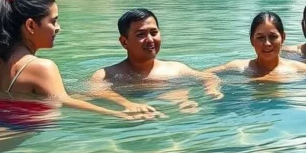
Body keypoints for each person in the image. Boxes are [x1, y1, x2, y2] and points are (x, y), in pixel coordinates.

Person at [0, 0, 142, 125]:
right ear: (31, 25)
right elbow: (64, 101)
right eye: (53, 21)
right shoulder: (42, 67)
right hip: (10, 129)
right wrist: (120, 114)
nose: (58, 28)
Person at [88, 9, 224, 116]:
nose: (150, 40)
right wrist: (128, 104)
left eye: (154, 32)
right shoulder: (107, 75)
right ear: (124, 42)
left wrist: (211, 91)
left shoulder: (176, 69)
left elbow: (209, 77)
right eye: (141, 35)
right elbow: (96, 92)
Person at [208, 12, 306, 88]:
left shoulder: (297, 69)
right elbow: (202, 76)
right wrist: (211, 87)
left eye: (273, 36)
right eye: (260, 37)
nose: (267, 43)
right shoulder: (238, 67)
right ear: (251, 40)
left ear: (282, 38)